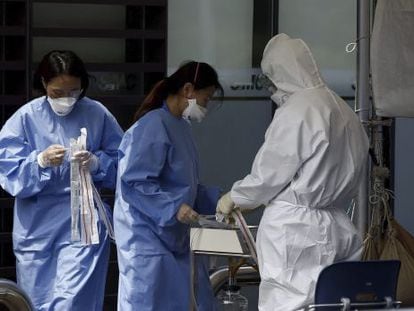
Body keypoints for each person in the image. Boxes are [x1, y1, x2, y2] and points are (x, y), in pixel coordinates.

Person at [216, 33, 370, 310]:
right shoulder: (343, 110)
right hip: (338, 226)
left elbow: (269, 174)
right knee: (333, 304)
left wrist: (237, 197)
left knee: (288, 304)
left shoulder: (298, 110)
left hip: (295, 232)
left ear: (280, 72)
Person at [0, 50, 124, 310]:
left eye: (74, 92)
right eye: (58, 92)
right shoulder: (25, 118)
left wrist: (98, 163)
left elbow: (123, 163)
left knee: (72, 300)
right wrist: (39, 162)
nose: (67, 100)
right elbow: (9, 174)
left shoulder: (96, 114)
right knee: (36, 300)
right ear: (44, 84)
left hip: (84, 222)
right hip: (36, 227)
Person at [113, 61, 223, 311]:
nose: (206, 106)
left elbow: (184, 184)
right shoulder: (152, 125)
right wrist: (174, 208)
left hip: (172, 237)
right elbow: (135, 183)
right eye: (205, 99)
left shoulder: (180, 127)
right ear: (188, 90)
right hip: (146, 238)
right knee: (149, 303)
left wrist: (222, 200)